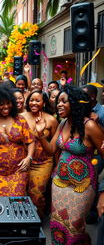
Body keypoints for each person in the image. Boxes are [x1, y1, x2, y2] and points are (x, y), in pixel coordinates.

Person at [35, 85, 104, 244]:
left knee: (74, 228)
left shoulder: (90, 126)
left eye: (64, 101)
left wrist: (102, 192)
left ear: (75, 103)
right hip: (59, 184)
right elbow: (51, 150)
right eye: (58, 101)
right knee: (57, 225)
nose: (59, 104)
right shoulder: (63, 123)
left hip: (82, 188)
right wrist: (40, 135)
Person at [21, 90, 58, 217]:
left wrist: (57, 166)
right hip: (23, 161)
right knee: (21, 193)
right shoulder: (21, 117)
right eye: (31, 100)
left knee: (37, 194)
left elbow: (56, 146)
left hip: (43, 163)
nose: (34, 103)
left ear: (44, 102)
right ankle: (21, 219)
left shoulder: (51, 120)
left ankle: (37, 222)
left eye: (37, 100)